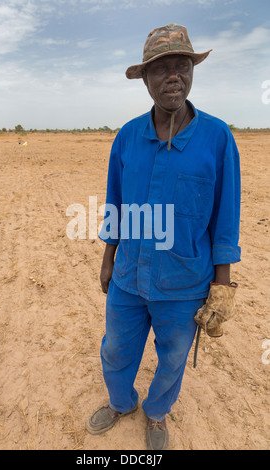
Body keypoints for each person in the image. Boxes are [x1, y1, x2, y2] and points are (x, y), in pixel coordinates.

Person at [87, 23, 241, 450]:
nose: (174, 76)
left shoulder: (217, 138)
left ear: (192, 72)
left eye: (182, 66)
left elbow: (225, 218)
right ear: (147, 80)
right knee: (116, 349)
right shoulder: (127, 137)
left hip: (185, 282)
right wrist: (107, 259)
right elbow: (115, 204)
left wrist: (222, 285)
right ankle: (122, 402)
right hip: (129, 278)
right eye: (162, 69)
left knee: (172, 359)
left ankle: (156, 413)